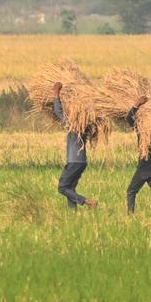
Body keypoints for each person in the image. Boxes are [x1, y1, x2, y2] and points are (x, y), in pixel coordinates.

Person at [53, 82, 98, 210]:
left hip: (74, 161)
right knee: (70, 188)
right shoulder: (86, 124)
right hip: (81, 161)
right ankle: (73, 215)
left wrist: (56, 93)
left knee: (62, 188)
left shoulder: (74, 123)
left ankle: (88, 202)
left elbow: (58, 111)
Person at [124, 96, 151, 214]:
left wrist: (136, 105)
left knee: (131, 191)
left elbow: (129, 118)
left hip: (144, 168)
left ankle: (130, 215)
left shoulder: (141, 128)